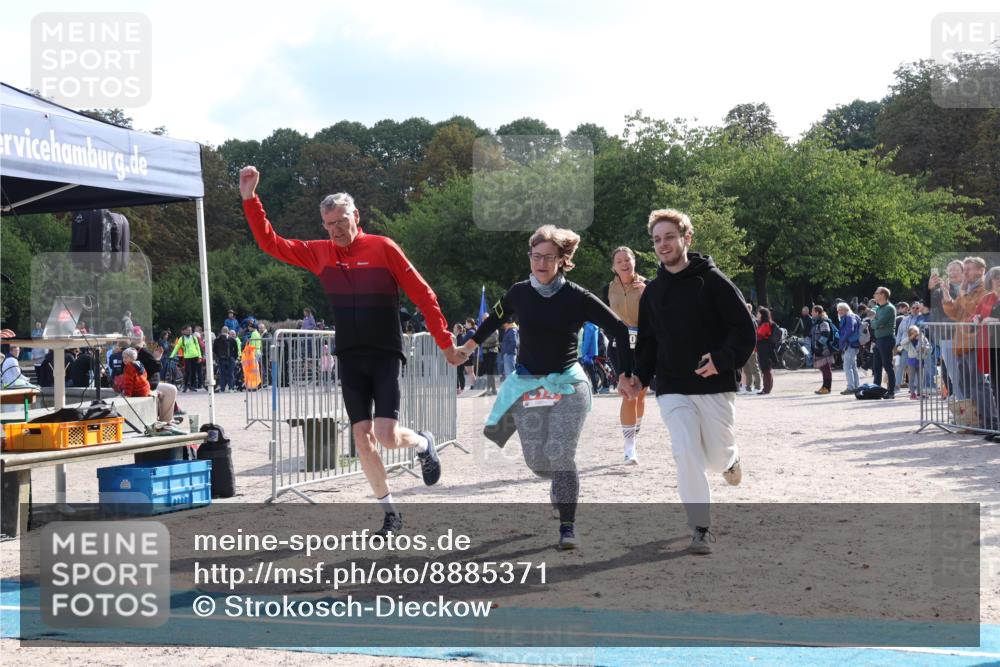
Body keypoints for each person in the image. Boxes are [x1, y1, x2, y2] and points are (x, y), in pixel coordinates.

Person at [240, 164, 465, 537]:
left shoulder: (383, 247)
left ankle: (424, 443)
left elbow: (423, 294)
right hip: (349, 357)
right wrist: (251, 199)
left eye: (341, 221)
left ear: (355, 216)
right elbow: (271, 243)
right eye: (329, 225)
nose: (336, 230)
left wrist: (445, 343)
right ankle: (390, 513)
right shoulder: (320, 254)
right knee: (363, 437)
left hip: (384, 354)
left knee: (388, 436)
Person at [459, 224, 635, 550]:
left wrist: (625, 374)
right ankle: (558, 482)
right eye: (536, 256)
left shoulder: (577, 297)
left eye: (549, 257)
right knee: (539, 463)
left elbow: (620, 331)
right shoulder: (518, 293)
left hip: (568, 383)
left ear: (561, 260)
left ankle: (567, 527)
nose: (541, 263)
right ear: (530, 257)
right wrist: (468, 348)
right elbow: (492, 321)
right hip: (528, 384)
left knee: (560, 453)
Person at [623, 209, 756, 555]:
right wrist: (640, 376)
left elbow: (745, 330)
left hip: (714, 386)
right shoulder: (652, 293)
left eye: (669, 237)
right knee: (685, 451)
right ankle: (701, 527)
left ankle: (731, 459)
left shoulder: (713, 281)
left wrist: (721, 360)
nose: (662, 244)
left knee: (715, 456)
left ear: (687, 238)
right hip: (672, 386)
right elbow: (649, 342)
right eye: (656, 239)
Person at [601, 246, 648, 465]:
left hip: (644, 345)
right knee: (629, 393)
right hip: (619, 345)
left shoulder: (648, 286)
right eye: (619, 261)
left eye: (627, 259)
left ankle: (635, 430)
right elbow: (601, 318)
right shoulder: (606, 290)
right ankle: (630, 448)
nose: (624, 263)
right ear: (614, 266)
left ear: (634, 261)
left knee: (640, 394)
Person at [121, 347, 180, 425]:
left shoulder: (133, 363)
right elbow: (131, 380)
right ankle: (165, 422)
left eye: (125, 358)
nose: (123, 359)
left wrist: (157, 358)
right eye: (123, 358)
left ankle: (166, 420)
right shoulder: (138, 362)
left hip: (146, 387)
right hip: (146, 387)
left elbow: (152, 369)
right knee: (169, 390)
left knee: (172, 389)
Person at [871, 287, 898, 399]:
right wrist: (875, 322)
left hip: (886, 339)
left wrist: (875, 322)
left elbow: (878, 323)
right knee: (876, 367)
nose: (874, 295)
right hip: (878, 340)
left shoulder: (889, 308)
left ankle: (891, 391)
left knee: (887, 366)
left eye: (876, 293)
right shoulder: (878, 308)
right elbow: (874, 324)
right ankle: (876, 389)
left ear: (882, 295)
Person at [836, 302, 862, 394]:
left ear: (847, 309)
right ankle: (856, 386)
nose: (839, 312)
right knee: (853, 367)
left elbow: (849, 330)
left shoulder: (849, 317)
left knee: (847, 366)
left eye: (841, 309)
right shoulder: (851, 317)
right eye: (838, 310)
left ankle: (851, 387)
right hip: (853, 344)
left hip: (850, 344)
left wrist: (842, 339)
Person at [755, 307, 779, 395]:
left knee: (766, 369)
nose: (757, 314)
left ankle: (766, 389)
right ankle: (766, 388)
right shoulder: (762, 323)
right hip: (763, 349)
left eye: (758, 313)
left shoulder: (765, 324)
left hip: (766, 349)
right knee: (766, 369)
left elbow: (760, 334)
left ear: (762, 315)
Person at [171, 325, 203, 392]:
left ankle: (192, 386)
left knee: (194, 372)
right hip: (187, 357)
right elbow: (177, 347)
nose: (190, 331)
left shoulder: (194, 337)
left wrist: (199, 356)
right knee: (188, 372)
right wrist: (172, 355)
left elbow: (198, 347)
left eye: (191, 330)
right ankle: (186, 386)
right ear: (184, 331)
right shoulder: (181, 339)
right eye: (188, 330)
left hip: (195, 356)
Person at [740, 303, 763, 394]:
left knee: (754, 368)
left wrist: (753, 347)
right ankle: (748, 388)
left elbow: (755, 336)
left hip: (751, 348)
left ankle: (758, 387)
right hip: (745, 348)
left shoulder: (752, 321)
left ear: (749, 310)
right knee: (746, 369)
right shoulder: (744, 319)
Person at [214, 326, 239, 392]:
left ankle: (222, 389)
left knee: (222, 374)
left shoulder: (217, 340)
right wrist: (235, 358)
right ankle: (231, 388)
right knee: (231, 374)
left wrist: (218, 357)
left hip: (221, 359)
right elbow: (236, 350)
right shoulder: (232, 339)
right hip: (230, 358)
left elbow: (214, 350)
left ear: (221, 331)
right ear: (228, 331)